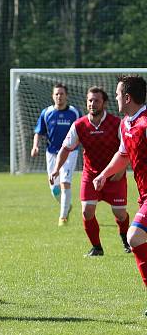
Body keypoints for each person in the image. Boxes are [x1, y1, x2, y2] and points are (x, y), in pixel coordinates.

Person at [50, 86, 129, 256]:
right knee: (87, 211)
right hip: (91, 175)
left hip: (114, 176)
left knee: (120, 213)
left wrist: (121, 171)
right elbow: (65, 148)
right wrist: (56, 169)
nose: (93, 104)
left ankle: (125, 239)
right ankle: (97, 248)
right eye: (90, 100)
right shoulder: (79, 125)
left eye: (97, 100)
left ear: (105, 103)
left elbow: (127, 150)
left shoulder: (117, 123)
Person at [94, 75, 147, 315]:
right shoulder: (126, 124)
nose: (114, 97)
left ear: (127, 97)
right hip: (144, 195)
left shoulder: (146, 123)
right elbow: (123, 155)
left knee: (134, 236)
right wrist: (104, 174)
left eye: (116, 94)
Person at [32, 83, 81, 225]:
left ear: (67, 96)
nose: (59, 96)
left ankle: (63, 217)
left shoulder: (74, 112)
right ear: (53, 96)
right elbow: (39, 132)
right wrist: (35, 146)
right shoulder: (46, 113)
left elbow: (82, 130)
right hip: (51, 153)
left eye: (62, 94)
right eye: (57, 94)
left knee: (66, 182)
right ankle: (66, 205)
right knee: (54, 187)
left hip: (70, 152)